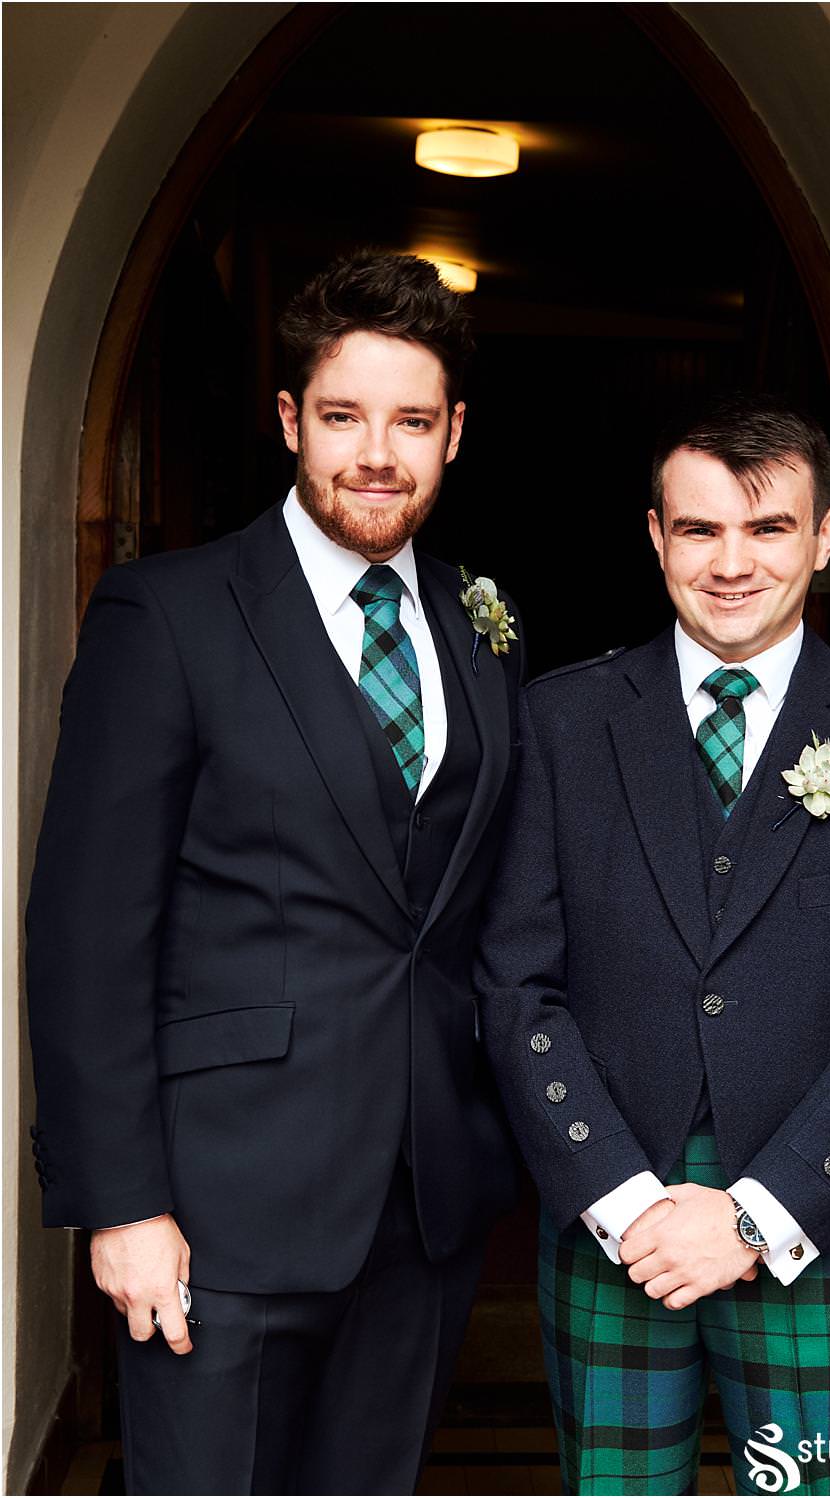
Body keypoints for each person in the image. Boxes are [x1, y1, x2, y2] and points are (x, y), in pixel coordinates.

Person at [26, 251, 523, 1496]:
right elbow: (87, 934)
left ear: (453, 434)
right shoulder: (170, 616)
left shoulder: (479, 621)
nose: (376, 452)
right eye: (344, 415)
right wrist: (122, 1203)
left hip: (424, 1209)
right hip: (220, 1208)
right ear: (292, 419)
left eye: (411, 420)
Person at [475, 395, 830, 1495]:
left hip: (817, 1215)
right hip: (618, 1216)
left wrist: (758, 1213)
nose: (731, 563)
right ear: (655, 536)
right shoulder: (560, 723)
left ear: (828, 535)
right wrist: (623, 1196)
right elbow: (516, 985)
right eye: (699, 530)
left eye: (768, 528)